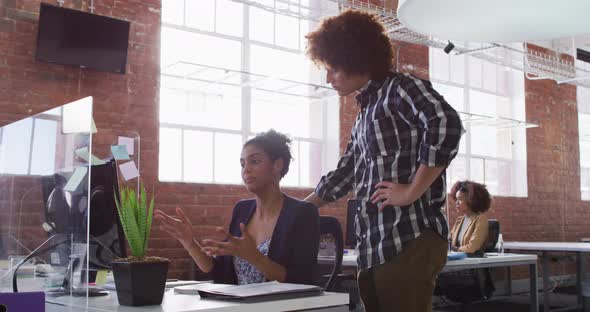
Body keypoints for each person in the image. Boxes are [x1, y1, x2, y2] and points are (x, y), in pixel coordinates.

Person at [304, 10, 464, 312]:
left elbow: (446, 124)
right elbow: (347, 170)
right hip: (375, 242)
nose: (328, 79)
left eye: (334, 68)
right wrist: (301, 208)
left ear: (357, 59)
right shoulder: (366, 111)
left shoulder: (400, 88)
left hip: (409, 236)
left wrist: (411, 190)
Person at [155, 130, 320, 285]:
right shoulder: (242, 210)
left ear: (277, 165)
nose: (246, 169)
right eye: (243, 164)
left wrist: (254, 257)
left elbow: (301, 280)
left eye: (254, 161)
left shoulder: (303, 213)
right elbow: (217, 270)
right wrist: (189, 242)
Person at [448, 180, 492, 254]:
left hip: (472, 263)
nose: (456, 203)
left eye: (460, 199)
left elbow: (473, 247)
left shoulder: (480, 219)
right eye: (456, 199)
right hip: (458, 260)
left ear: (471, 201)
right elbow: (449, 242)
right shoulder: (460, 220)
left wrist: (455, 250)